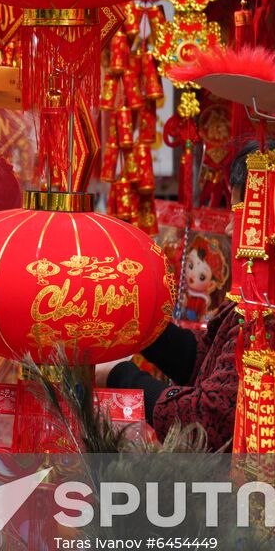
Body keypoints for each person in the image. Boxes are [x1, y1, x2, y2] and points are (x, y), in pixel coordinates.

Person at [95, 144, 261, 451]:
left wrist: (119, 376)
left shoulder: (269, 313)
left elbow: (207, 415)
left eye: (239, 214)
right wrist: (136, 323)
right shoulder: (253, 296)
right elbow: (204, 361)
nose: (228, 227)